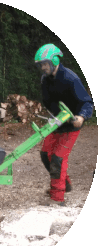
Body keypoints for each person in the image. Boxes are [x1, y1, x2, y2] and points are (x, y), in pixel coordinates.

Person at [34, 43, 94, 206]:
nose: (43, 67)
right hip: (56, 122)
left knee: (58, 159)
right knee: (46, 155)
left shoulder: (71, 79)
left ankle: (57, 197)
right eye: (40, 65)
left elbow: (87, 103)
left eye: (45, 64)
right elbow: (49, 101)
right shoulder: (45, 80)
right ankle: (64, 183)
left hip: (71, 124)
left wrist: (81, 117)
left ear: (54, 60)